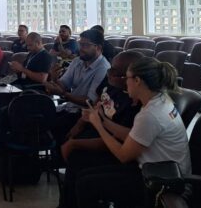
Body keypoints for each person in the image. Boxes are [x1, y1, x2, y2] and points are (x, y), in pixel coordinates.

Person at [75, 57, 191, 208]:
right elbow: (133, 136)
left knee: (86, 184)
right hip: (159, 171)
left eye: (127, 78)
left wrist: (98, 125)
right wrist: (102, 119)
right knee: (84, 175)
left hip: (162, 182)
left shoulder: (150, 114)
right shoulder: (159, 100)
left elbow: (123, 155)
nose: (125, 82)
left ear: (137, 80)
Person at [58, 51, 144, 208]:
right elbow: (98, 103)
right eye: (110, 69)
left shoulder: (137, 103)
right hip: (103, 131)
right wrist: (82, 124)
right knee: (67, 141)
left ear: (130, 78)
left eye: (115, 72)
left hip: (127, 157)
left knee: (79, 161)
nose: (109, 74)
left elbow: (123, 147)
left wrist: (76, 143)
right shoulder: (112, 81)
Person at [45, 29, 110, 143]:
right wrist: (54, 78)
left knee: (51, 127)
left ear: (98, 47)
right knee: (40, 116)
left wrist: (63, 94)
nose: (81, 49)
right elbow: (64, 85)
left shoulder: (103, 68)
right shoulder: (77, 61)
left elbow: (89, 102)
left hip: (84, 115)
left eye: (85, 45)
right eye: (80, 44)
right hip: (69, 107)